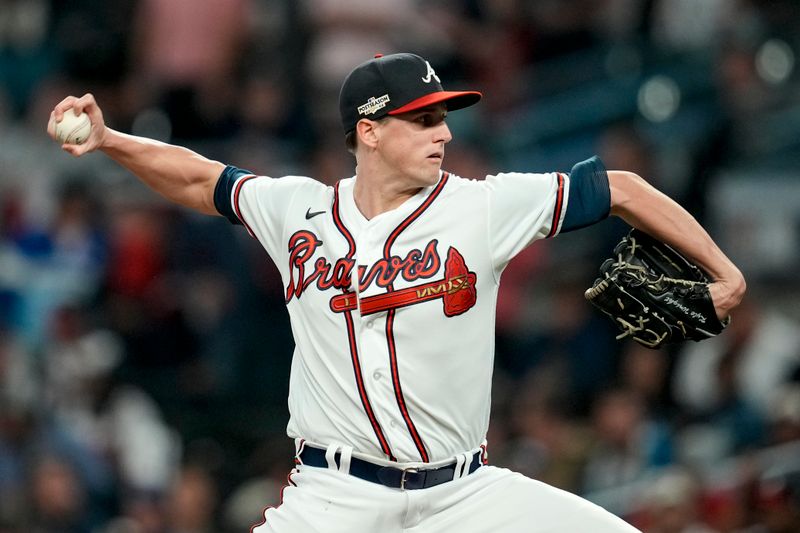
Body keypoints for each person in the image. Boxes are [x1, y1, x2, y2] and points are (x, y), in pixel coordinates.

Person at [47, 52, 745, 532]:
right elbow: (202, 179)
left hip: (463, 495)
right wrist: (112, 140)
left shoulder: (481, 206)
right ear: (370, 131)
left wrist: (724, 272)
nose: (443, 132)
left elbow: (620, 188)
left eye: (444, 118)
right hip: (334, 497)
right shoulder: (299, 209)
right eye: (423, 119)